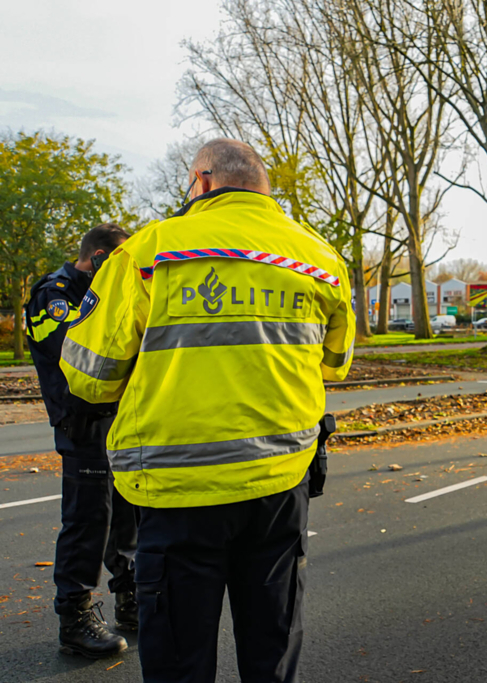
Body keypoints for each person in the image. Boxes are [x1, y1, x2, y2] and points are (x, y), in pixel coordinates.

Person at [61, 138, 355, 683]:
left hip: (178, 490)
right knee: (271, 651)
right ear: (263, 186)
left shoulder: (147, 254)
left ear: (202, 183)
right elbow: (334, 363)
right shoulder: (319, 257)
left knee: (179, 659)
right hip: (279, 483)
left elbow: (89, 376)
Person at [24, 224, 137, 659]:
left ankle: (130, 597)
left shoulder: (101, 292)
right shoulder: (54, 294)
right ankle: (75, 617)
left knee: (127, 513)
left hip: (117, 420)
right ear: (99, 258)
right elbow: (79, 350)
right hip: (83, 423)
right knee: (88, 519)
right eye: (118, 264)